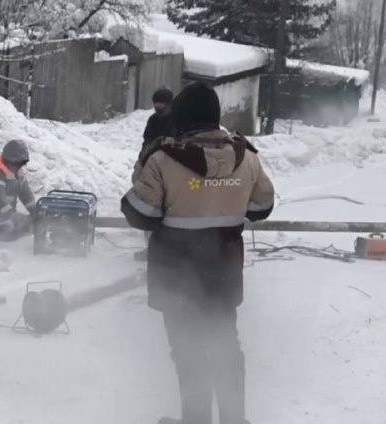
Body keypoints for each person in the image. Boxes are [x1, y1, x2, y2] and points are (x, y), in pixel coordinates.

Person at [120, 82, 275, 424]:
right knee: (226, 344)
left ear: (183, 117)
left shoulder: (163, 159)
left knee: (188, 350)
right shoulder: (246, 157)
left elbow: (137, 213)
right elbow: (262, 206)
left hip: (177, 277)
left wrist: (144, 167)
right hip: (223, 273)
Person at [135, 87, 176, 261]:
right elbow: (147, 144)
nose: (158, 106)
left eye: (162, 103)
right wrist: (141, 164)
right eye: (156, 102)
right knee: (150, 209)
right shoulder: (153, 120)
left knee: (170, 212)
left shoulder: (177, 120)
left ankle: (170, 250)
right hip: (151, 169)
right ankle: (152, 248)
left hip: (172, 172)